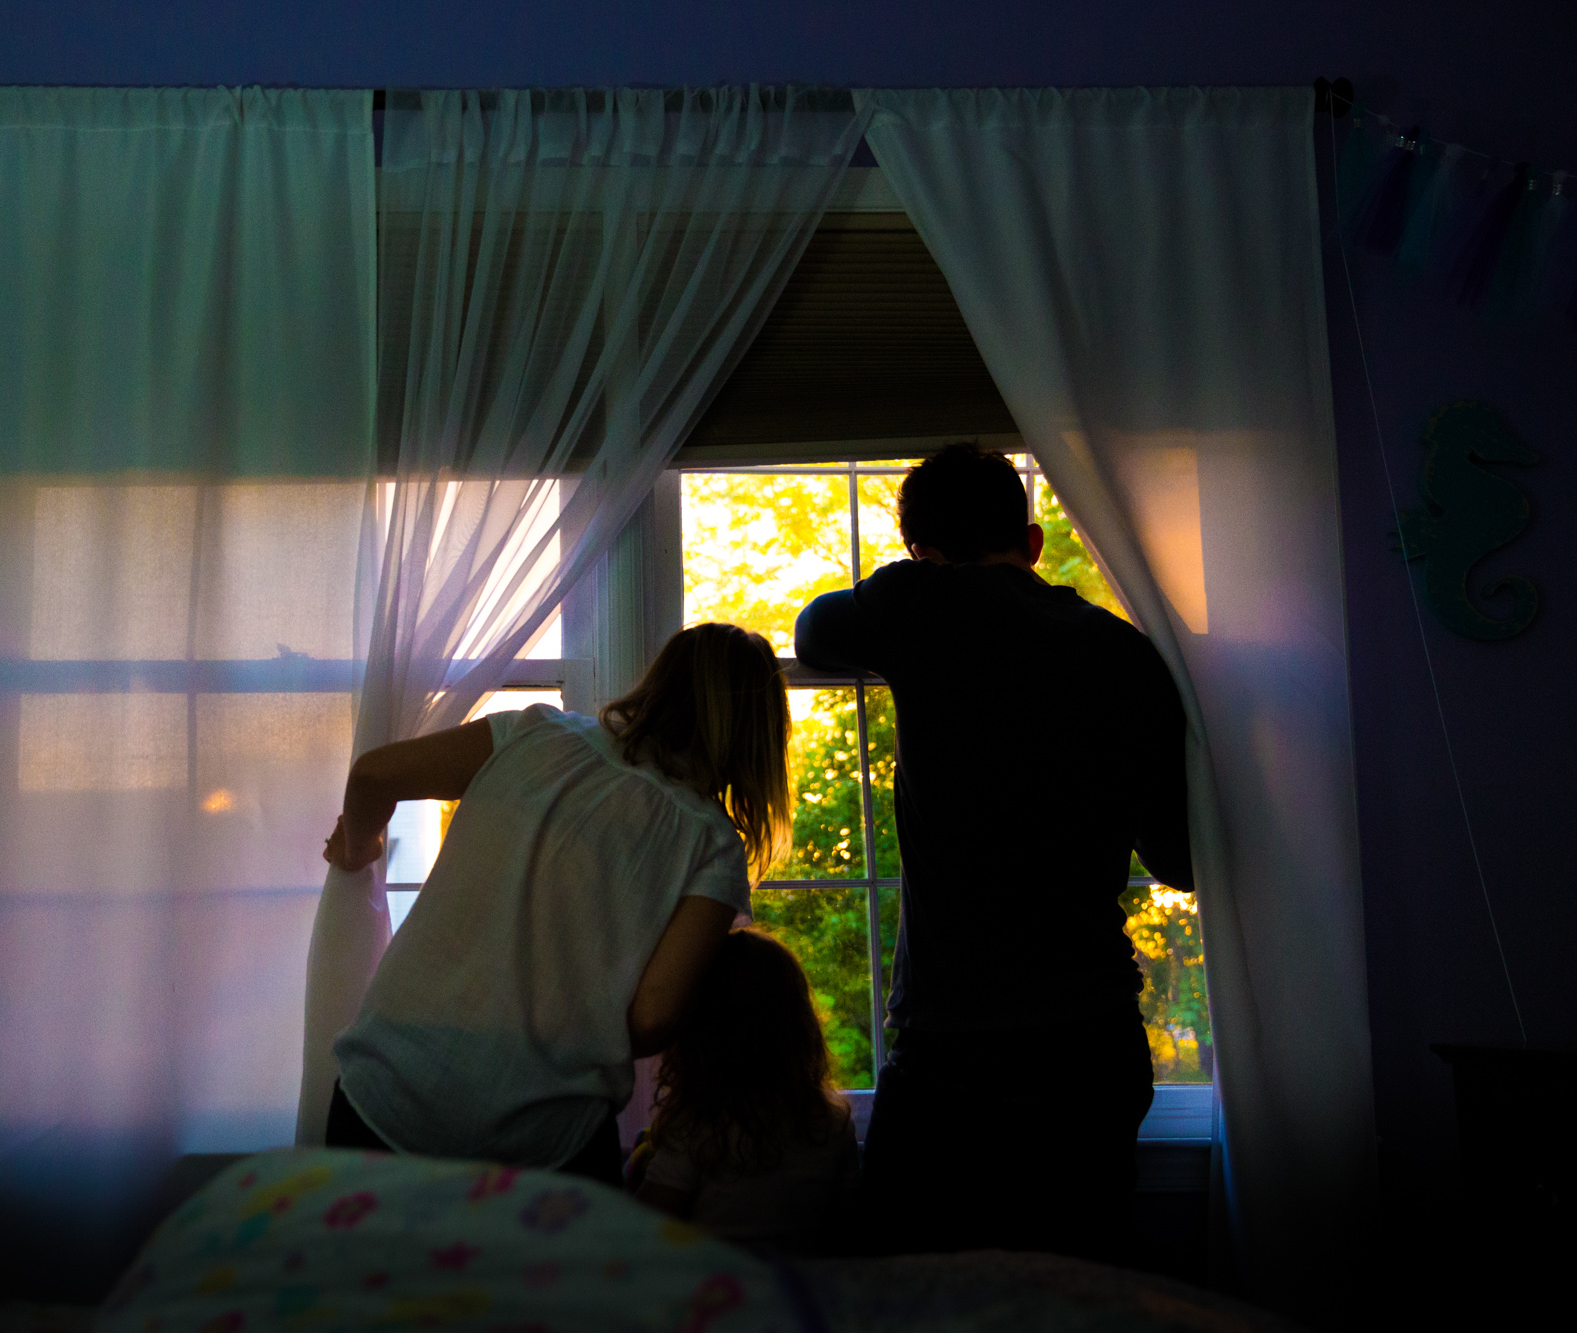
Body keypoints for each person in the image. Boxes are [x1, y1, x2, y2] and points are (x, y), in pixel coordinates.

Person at [793, 444, 1193, 1262]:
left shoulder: (922, 602)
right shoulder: (1126, 651)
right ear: (1035, 542)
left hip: (956, 1047)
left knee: (913, 1292)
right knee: (1083, 1289)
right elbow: (1177, 857)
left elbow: (814, 632)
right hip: (1091, 1039)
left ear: (921, 550)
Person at [322, 622, 792, 1188]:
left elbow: (373, 773)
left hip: (389, 1088)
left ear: (660, 684)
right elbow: (652, 1018)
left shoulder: (533, 733)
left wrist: (359, 849)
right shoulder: (712, 845)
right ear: (755, 737)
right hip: (541, 1136)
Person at [632, 929, 858, 1252]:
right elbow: (847, 1228)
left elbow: (642, 1225)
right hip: (806, 1291)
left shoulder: (699, 1126)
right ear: (798, 1025)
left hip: (721, 1292)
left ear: (699, 1029)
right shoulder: (834, 1124)